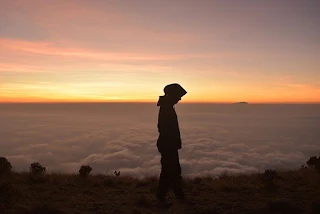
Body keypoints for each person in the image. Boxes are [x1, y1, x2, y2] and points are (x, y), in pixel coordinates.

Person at [156, 83, 187, 202]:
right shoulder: (166, 108)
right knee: (170, 170)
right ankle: (164, 196)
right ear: (172, 95)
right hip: (168, 145)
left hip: (168, 144)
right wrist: (172, 143)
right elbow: (164, 128)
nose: (180, 98)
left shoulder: (167, 107)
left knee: (172, 170)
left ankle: (177, 196)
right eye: (178, 96)